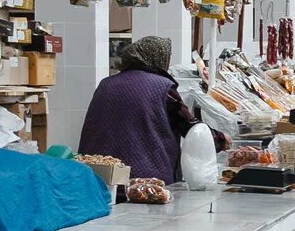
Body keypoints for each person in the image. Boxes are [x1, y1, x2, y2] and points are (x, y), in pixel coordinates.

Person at [78, 36, 204, 182]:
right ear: (158, 58)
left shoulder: (106, 84)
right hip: (147, 179)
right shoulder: (163, 87)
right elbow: (189, 127)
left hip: (100, 174)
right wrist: (220, 140)